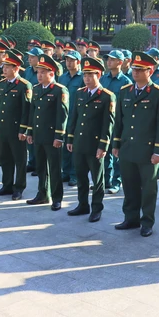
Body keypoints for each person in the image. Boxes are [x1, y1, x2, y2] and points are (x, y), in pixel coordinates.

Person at [112, 51, 159, 237]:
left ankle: (147, 221)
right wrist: (115, 144)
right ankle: (131, 218)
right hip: (128, 148)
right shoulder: (125, 92)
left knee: (148, 188)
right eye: (134, 69)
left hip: (148, 151)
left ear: (151, 71)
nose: (135, 72)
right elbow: (119, 121)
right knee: (129, 186)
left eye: (140, 69)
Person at [66, 57, 115, 222]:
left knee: (97, 179)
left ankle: (96, 208)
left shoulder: (107, 97)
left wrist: (103, 145)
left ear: (99, 75)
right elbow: (74, 117)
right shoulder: (80, 93)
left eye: (90, 75)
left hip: (95, 145)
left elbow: (108, 124)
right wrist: (70, 139)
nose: (86, 79)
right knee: (80, 177)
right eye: (85, 75)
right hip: (79, 143)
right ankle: (82, 205)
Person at [26, 55, 69, 211]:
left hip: (52, 137)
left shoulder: (59, 90)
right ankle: (42, 194)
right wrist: (30, 132)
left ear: (52, 73)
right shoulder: (36, 89)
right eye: (38, 72)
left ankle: (57, 198)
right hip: (39, 135)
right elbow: (32, 113)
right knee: (41, 167)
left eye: (43, 72)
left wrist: (59, 136)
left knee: (55, 168)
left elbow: (62, 116)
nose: (39, 75)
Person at [0, 50, 33, 200]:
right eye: (4, 67)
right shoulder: (2, 84)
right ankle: (7, 185)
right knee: (5, 158)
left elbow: (26, 110)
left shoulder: (24, 86)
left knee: (20, 160)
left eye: (8, 67)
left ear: (16, 68)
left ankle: (19, 187)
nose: (4, 69)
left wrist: (23, 130)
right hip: (3, 128)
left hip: (17, 130)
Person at [58, 50, 85, 187]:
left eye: (71, 60)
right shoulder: (62, 78)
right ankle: (66, 172)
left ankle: (75, 174)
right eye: (67, 60)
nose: (68, 63)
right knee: (64, 145)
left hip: (78, 115)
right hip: (64, 116)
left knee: (75, 146)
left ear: (78, 62)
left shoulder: (83, 78)